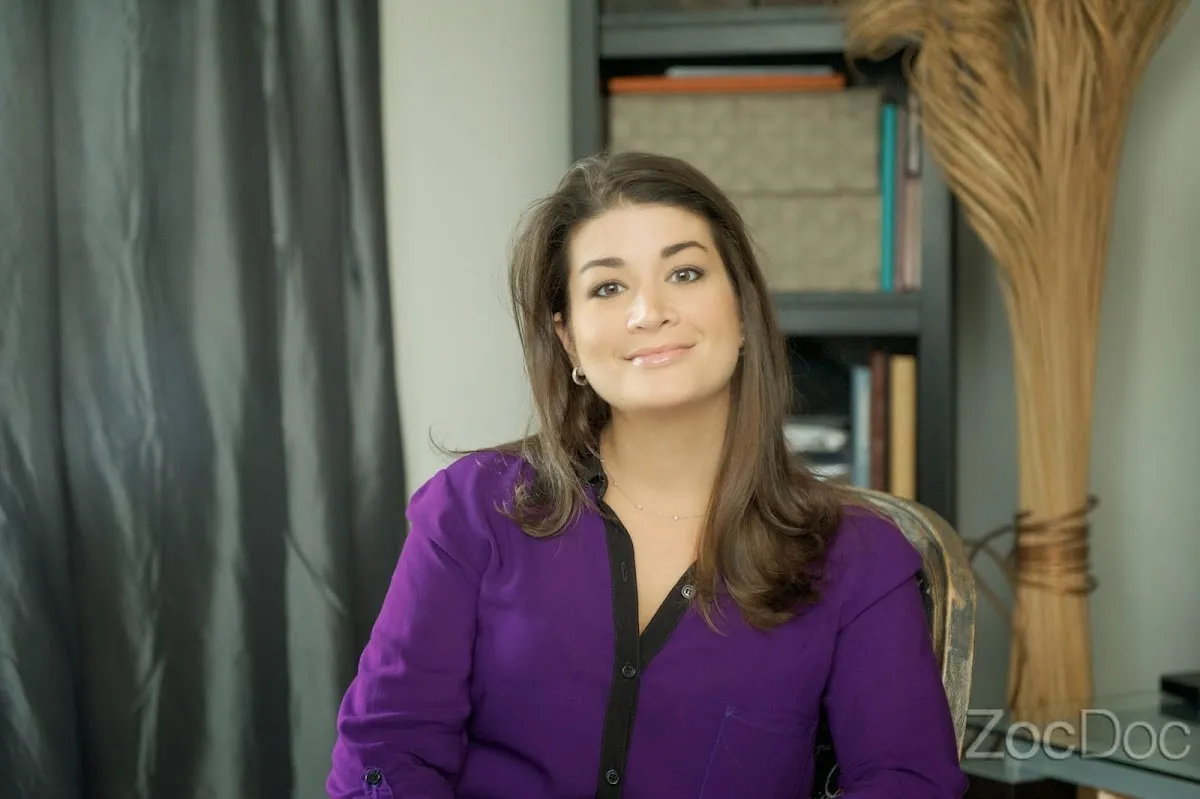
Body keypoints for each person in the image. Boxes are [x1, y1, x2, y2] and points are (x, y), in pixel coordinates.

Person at [326, 151, 969, 799]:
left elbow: (909, 782)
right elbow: (382, 751)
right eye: (608, 287)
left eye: (684, 273)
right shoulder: (470, 508)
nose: (649, 311)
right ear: (569, 340)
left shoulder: (859, 557)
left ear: (743, 310)